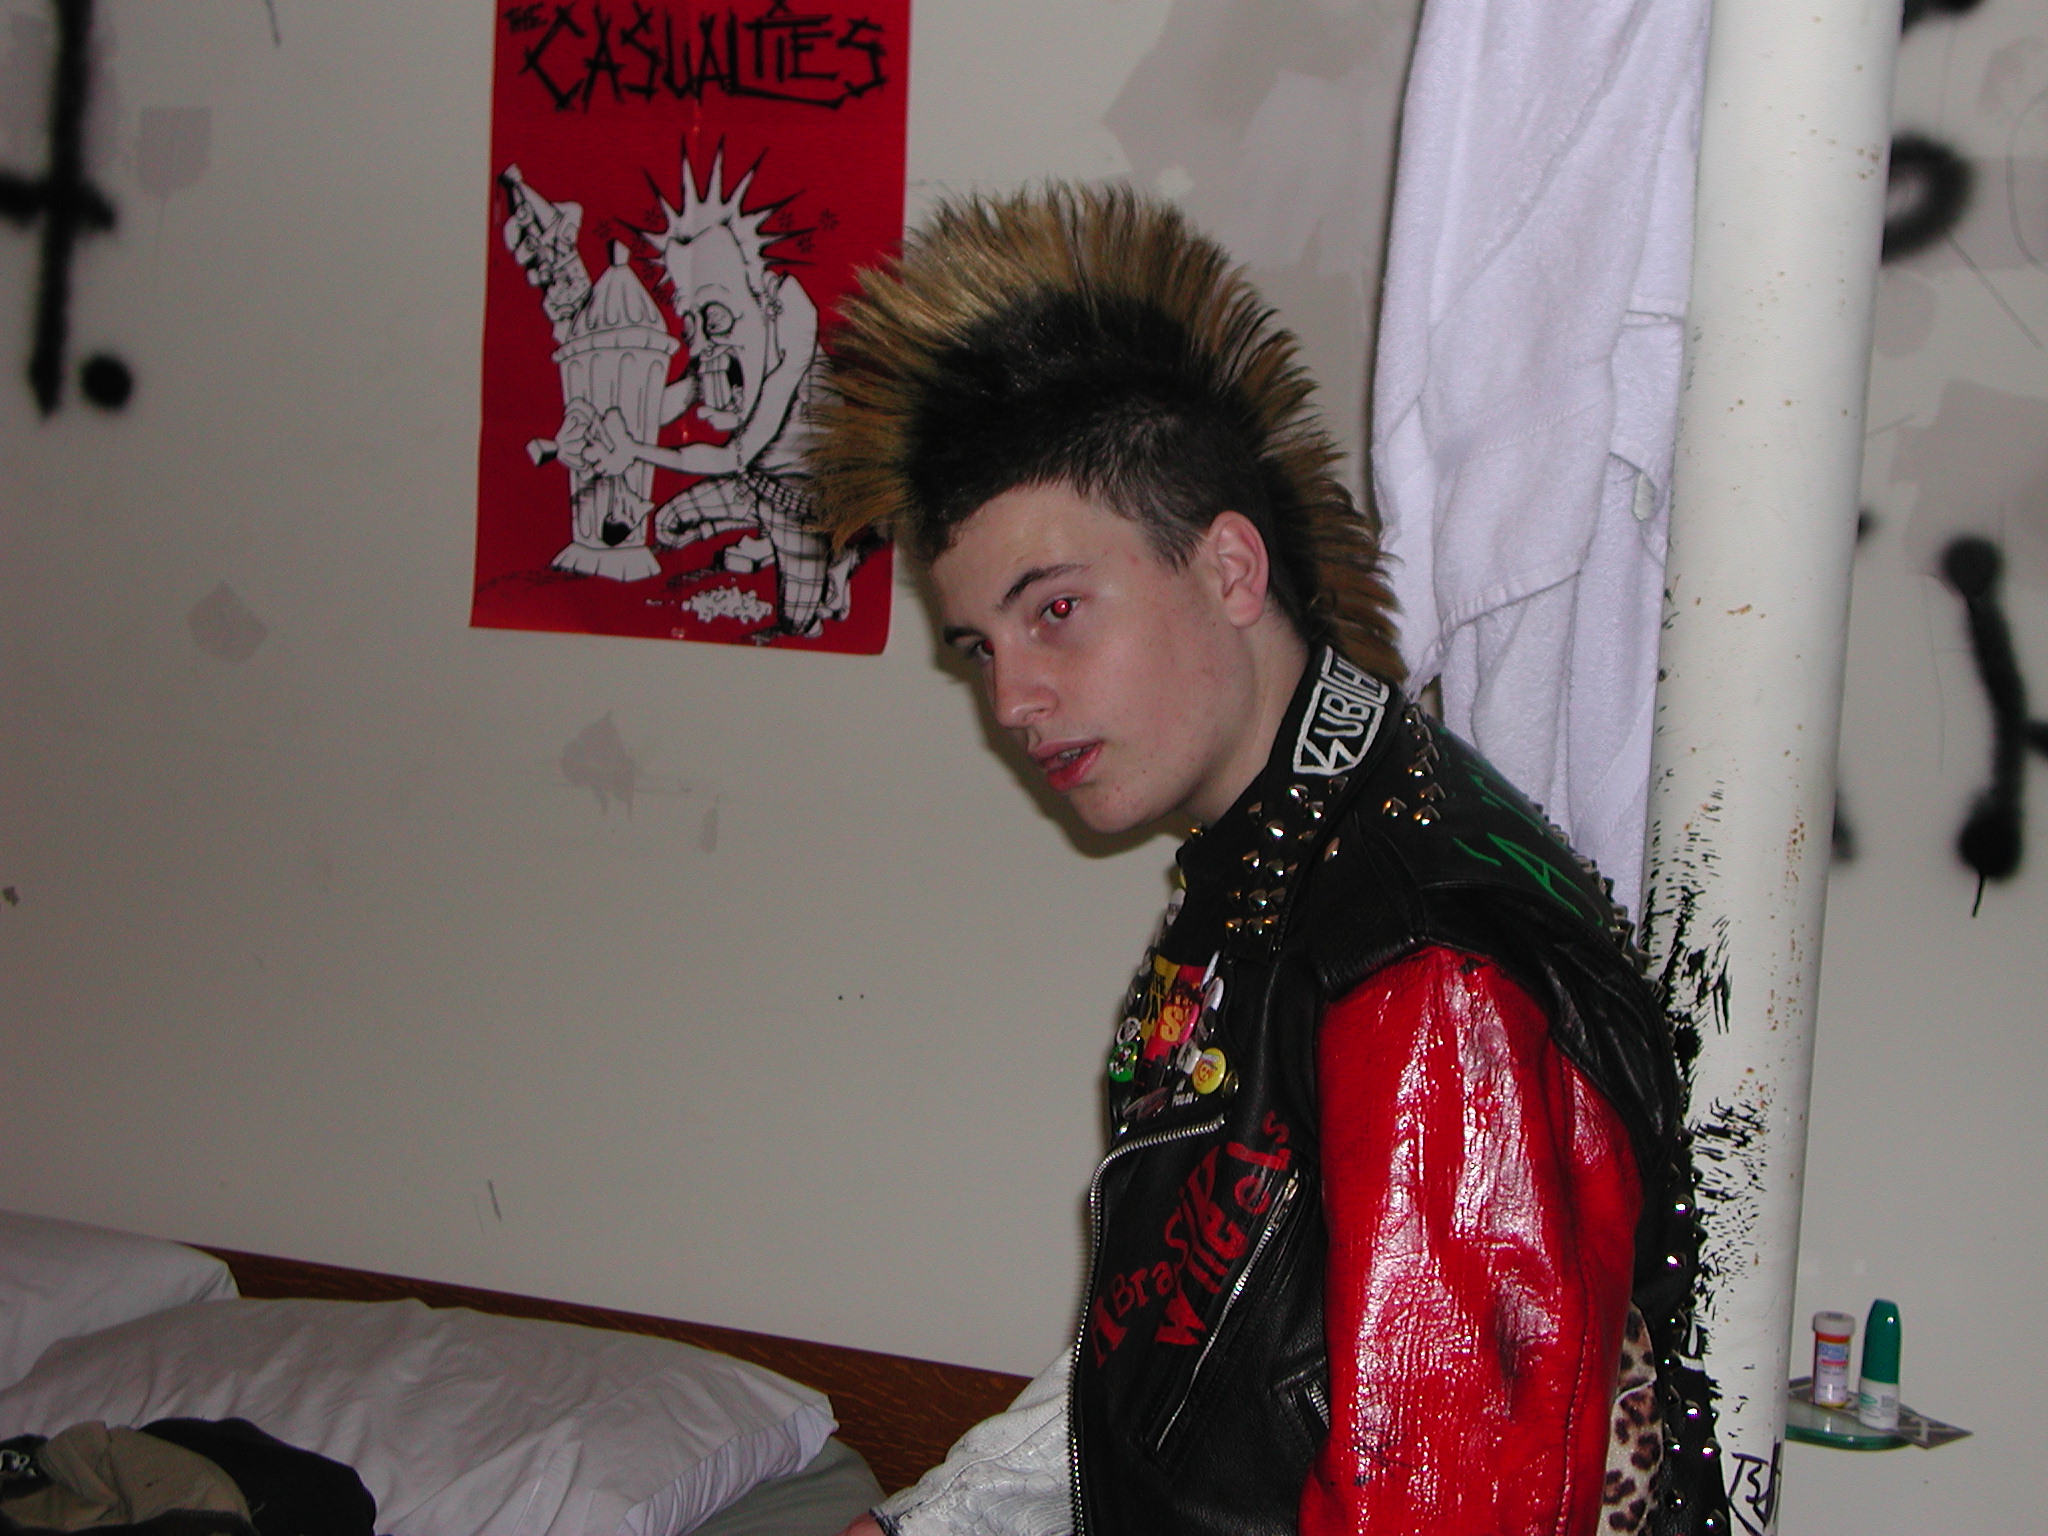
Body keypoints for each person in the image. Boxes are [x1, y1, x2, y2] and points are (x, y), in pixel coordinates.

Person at [805, 185, 1729, 1536]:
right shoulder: (1276, 865)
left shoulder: (1415, 963)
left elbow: (1445, 1503)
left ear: (1231, 569)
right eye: (981, 649)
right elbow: (1193, 1344)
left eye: (1055, 611)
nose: (1012, 700)